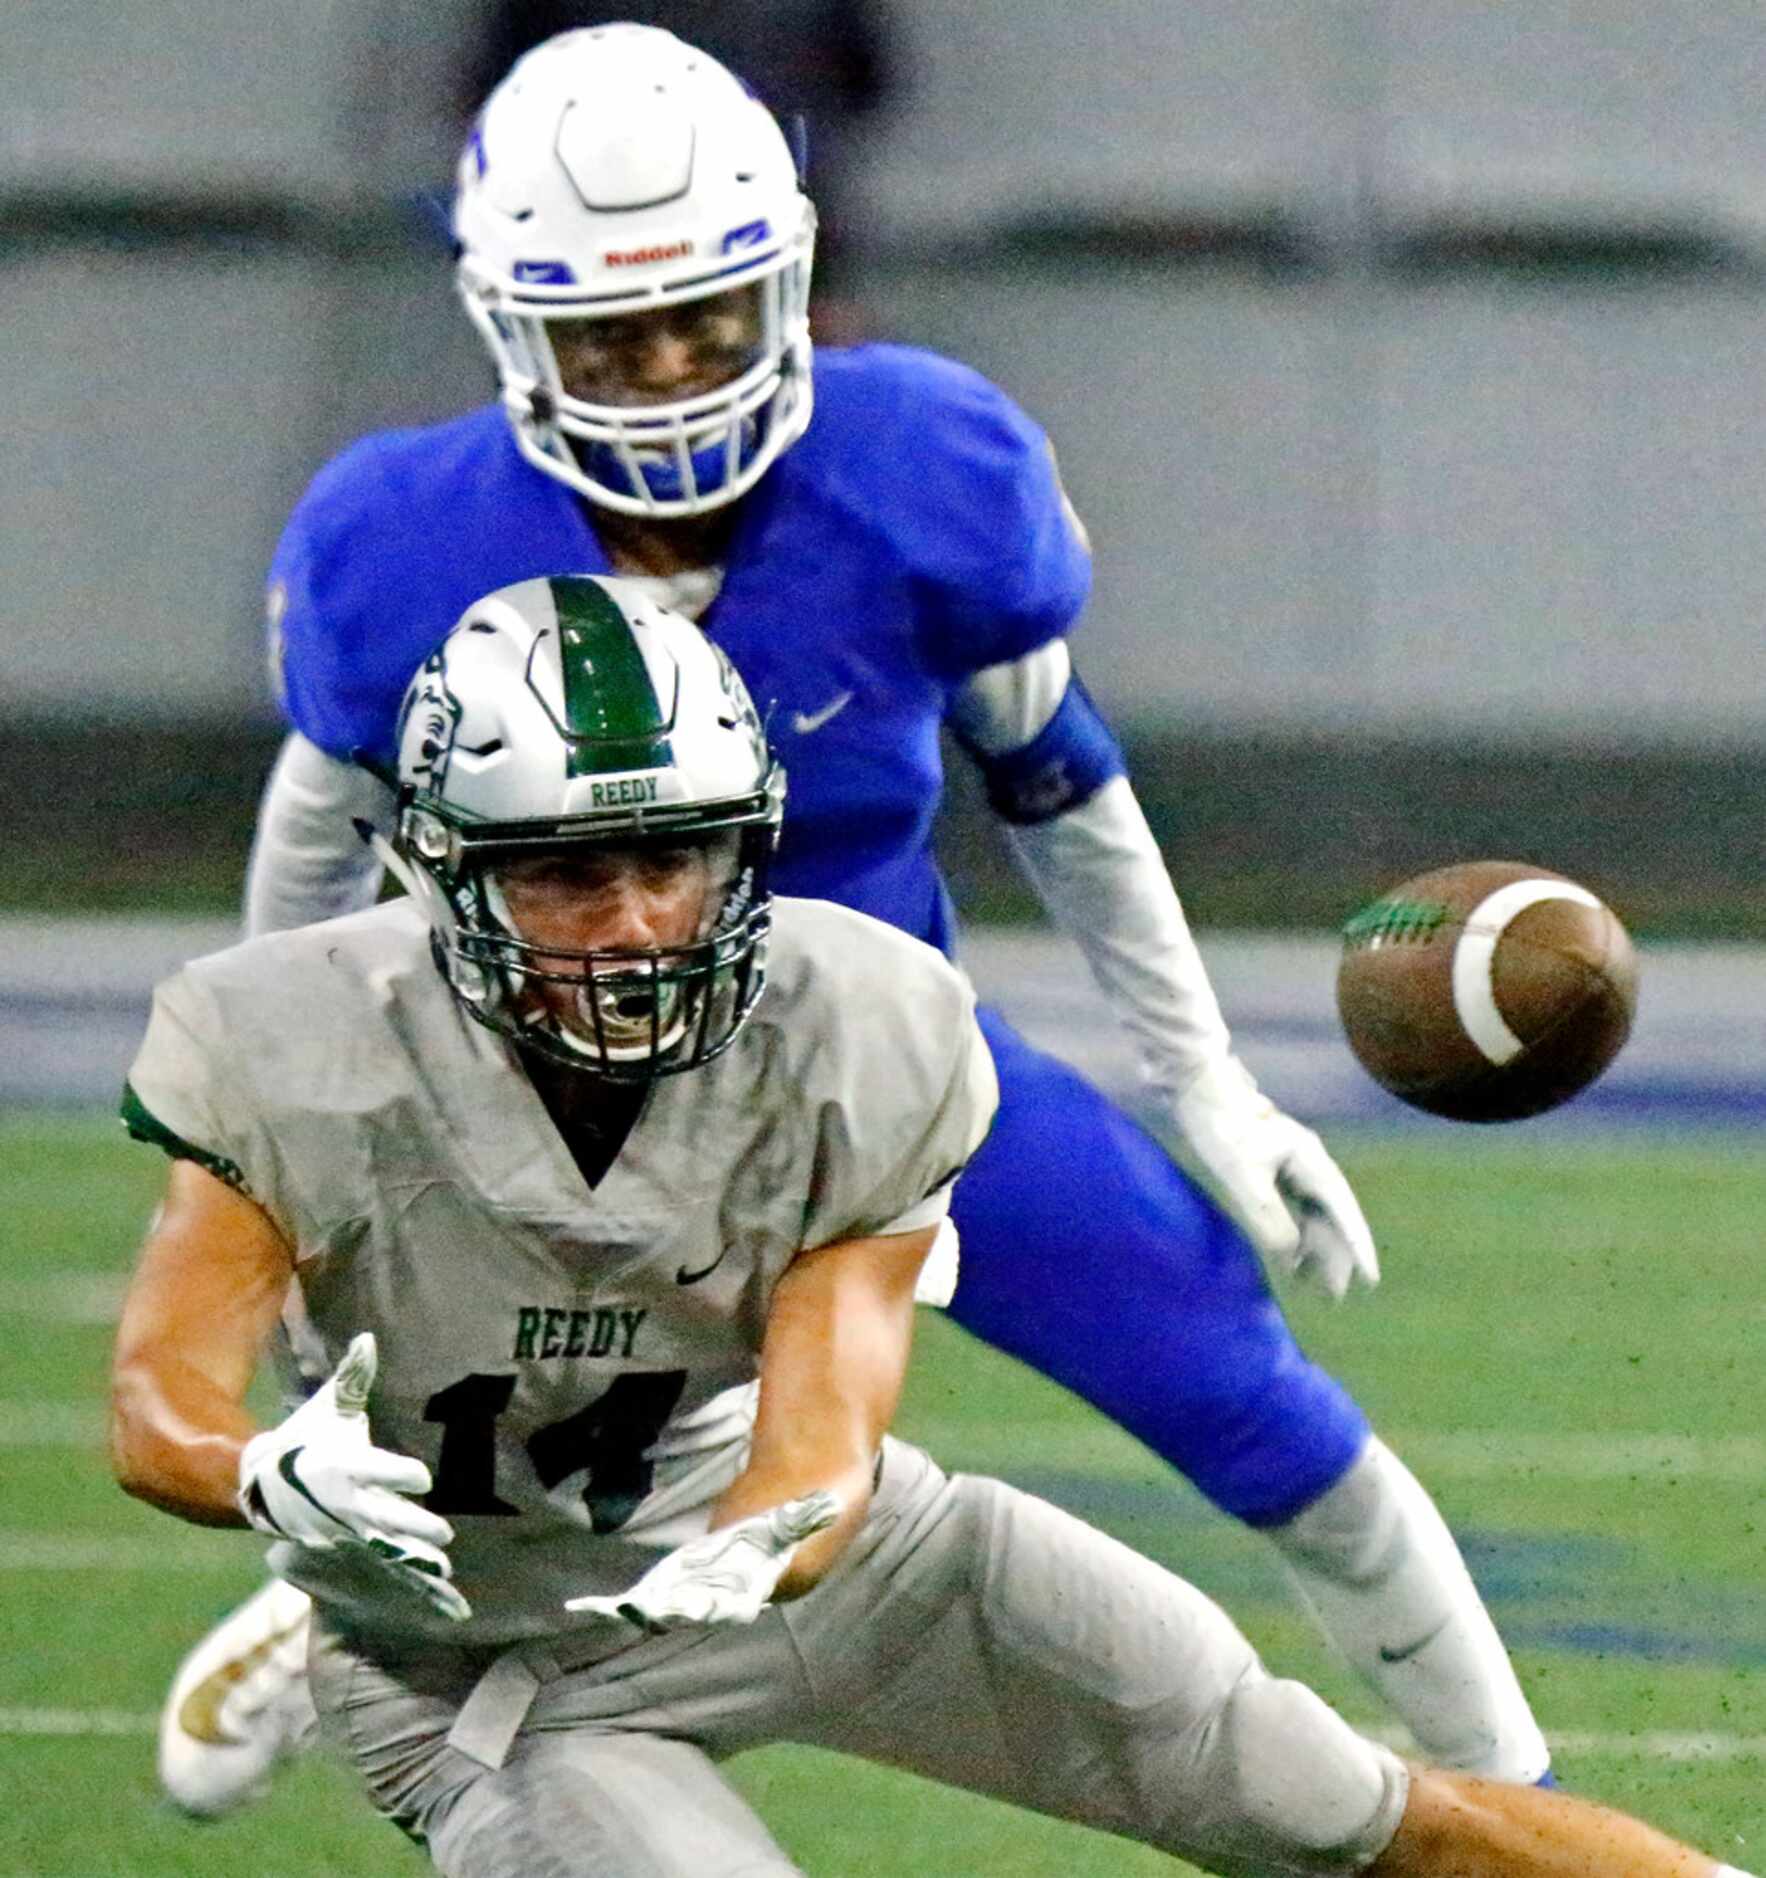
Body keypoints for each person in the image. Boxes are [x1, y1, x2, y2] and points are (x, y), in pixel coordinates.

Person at [160, 19, 1547, 1815]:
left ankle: (1508, 1790)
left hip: (901, 1072)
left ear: (790, 279)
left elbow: (1059, 774)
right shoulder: (409, 543)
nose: (665, 372)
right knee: (511, 1459)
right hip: (567, 1114)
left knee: (1241, 1385)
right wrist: (281, 1142)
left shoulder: (915, 472)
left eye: (705, 321)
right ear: (514, 330)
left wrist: (1201, 1081)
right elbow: (315, 846)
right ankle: (341, 1607)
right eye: (613, 334)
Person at [113, 580, 1754, 1878]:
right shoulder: (291, 1043)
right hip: (502, 1671)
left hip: (828, 1563)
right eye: (566, 872)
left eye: (673, 860)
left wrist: (788, 1521)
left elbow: (834, 1401)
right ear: (437, 868)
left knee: (1327, 1799)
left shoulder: (859, 1016)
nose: (628, 920)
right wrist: (256, 1468)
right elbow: (160, 1395)